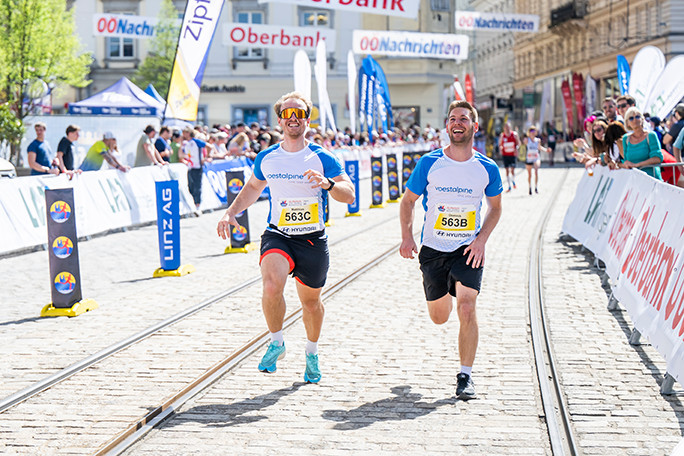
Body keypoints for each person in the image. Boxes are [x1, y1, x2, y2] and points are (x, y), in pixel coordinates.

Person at [216, 91, 355, 384]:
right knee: (270, 286)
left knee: (311, 304)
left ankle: (312, 353)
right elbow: (253, 188)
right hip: (278, 235)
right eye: (288, 114)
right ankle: (276, 341)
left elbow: (350, 193)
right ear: (280, 120)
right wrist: (230, 213)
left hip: (312, 240)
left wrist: (329, 184)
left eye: (299, 114)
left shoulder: (322, 156)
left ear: (307, 119)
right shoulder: (267, 157)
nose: (293, 119)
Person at [399, 100, 502, 400]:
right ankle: (441, 290)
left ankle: (465, 376)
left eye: (464, 119)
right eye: (453, 119)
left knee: (467, 307)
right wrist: (407, 237)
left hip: (468, 249)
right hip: (433, 249)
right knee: (440, 317)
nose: (458, 123)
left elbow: (495, 208)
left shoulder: (487, 167)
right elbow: (408, 202)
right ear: (447, 126)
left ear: (474, 126)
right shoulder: (429, 163)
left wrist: (481, 240)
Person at [621, 107, 663, 180]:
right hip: (634, 180)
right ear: (627, 123)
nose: (635, 120)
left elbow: (657, 158)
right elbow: (626, 159)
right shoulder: (626, 139)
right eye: (631, 118)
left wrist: (637, 165)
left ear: (642, 119)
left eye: (637, 116)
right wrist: (625, 163)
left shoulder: (651, 135)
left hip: (652, 178)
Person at [179, 127, 206, 211]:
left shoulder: (196, 141)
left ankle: (198, 205)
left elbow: (206, 145)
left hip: (197, 167)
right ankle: (194, 203)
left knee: (197, 186)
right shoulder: (185, 144)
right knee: (190, 186)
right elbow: (181, 154)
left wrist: (203, 158)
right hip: (190, 167)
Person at [523, 125, 547, 195]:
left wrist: (546, 150)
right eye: (531, 131)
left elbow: (539, 148)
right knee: (529, 175)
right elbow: (523, 143)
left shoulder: (538, 140)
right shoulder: (527, 140)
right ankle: (530, 187)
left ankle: (536, 187)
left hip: (536, 157)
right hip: (529, 158)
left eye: (534, 131)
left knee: (536, 171)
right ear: (529, 132)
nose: (532, 133)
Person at [498, 122, 519, 192]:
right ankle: (509, 186)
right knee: (507, 170)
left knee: (512, 170)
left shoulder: (514, 134)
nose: (507, 129)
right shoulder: (502, 135)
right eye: (506, 127)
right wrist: (501, 148)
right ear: (504, 128)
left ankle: (513, 180)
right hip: (505, 155)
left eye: (508, 127)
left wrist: (516, 148)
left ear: (510, 128)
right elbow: (500, 144)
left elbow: (518, 143)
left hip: (512, 155)